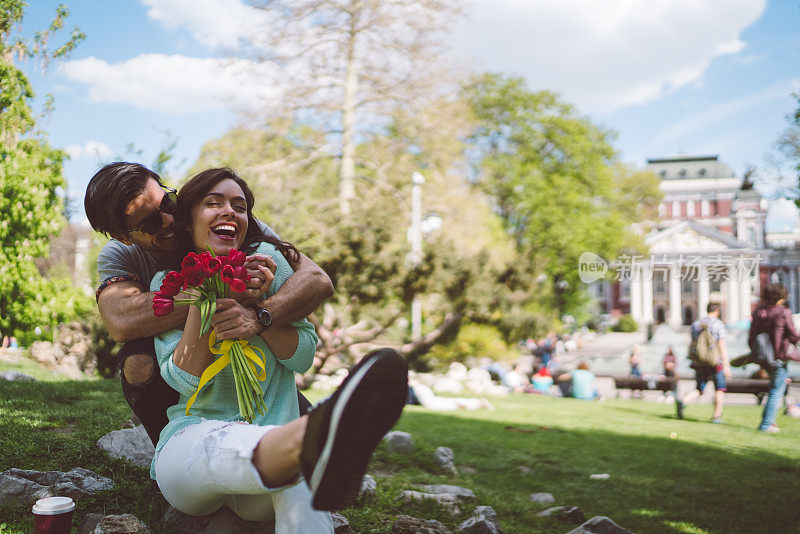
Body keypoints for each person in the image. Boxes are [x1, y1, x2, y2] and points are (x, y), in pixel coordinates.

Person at [150, 168, 408, 528]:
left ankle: (307, 442)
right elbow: (186, 380)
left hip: (269, 465)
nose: (229, 212)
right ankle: (315, 436)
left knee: (295, 484)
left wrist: (257, 316)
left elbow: (302, 357)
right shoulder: (168, 282)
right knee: (265, 459)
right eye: (213, 203)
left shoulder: (269, 265)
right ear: (190, 220)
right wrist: (209, 294)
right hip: (190, 455)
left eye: (239, 207)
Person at [84, 162, 334, 446]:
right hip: (182, 360)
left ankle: (291, 423)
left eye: (169, 201)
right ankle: (170, 445)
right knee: (137, 362)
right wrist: (219, 288)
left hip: (254, 350)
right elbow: (121, 320)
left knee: (319, 448)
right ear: (124, 237)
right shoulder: (118, 255)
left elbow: (316, 279)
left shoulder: (229, 219)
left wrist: (258, 315)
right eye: (151, 223)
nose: (169, 219)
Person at [748, 283, 799, 433]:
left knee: (774, 388)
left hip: (763, 356)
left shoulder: (758, 311)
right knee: (776, 390)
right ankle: (766, 424)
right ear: (781, 297)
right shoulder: (783, 312)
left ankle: (770, 422)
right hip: (779, 356)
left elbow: (751, 336)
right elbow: (794, 335)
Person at [676, 303, 731, 423]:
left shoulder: (696, 324)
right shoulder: (718, 324)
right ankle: (716, 416)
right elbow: (721, 345)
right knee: (719, 389)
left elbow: (691, 342)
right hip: (715, 362)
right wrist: (726, 365)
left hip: (699, 361)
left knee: (699, 389)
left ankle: (684, 400)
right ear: (717, 311)